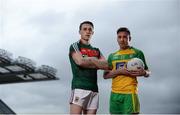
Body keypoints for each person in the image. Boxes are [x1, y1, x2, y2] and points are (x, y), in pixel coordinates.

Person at [103, 27, 150, 114]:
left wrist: (144, 73)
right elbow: (105, 76)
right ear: (117, 39)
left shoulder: (137, 53)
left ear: (130, 38)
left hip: (130, 93)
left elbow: (148, 71)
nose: (122, 39)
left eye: (125, 37)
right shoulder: (112, 56)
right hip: (114, 94)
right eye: (119, 37)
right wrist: (119, 71)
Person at [69, 21, 108, 114]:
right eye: (85, 29)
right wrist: (95, 61)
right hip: (79, 87)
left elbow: (106, 65)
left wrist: (88, 60)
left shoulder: (96, 50)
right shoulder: (75, 46)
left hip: (94, 89)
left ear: (93, 32)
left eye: (90, 29)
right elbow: (80, 62)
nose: (87, 31)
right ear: (80, 32)